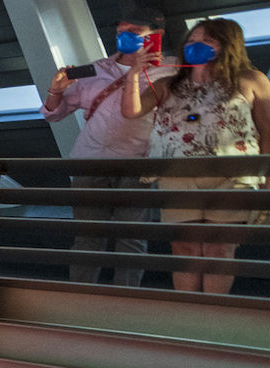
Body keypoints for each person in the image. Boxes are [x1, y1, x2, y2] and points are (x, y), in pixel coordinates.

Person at [123, 16, 270, 295]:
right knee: (185, 248)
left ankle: (213, 315)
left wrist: (266, 180)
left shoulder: (251, 79)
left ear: (228, 45)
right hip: (177, 177)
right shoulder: (169, 83)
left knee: (219, 248)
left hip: (234, 178)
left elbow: (268, 131)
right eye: (191, 40)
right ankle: (189, 312)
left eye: (207, 40)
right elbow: (131, 111)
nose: (197, 45)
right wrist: (133, 74)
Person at [44, 15, 164, 289]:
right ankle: (81, 297)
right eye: (121, 31)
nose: (126, 37)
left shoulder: (168, 71)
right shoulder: (93, 70)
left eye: (134, 30)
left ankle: (126, 298)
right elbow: (55, 114)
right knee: (88, 235)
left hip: (139, 163)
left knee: (132, 236)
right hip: (90, 162)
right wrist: (56, 90)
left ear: (155, 34)